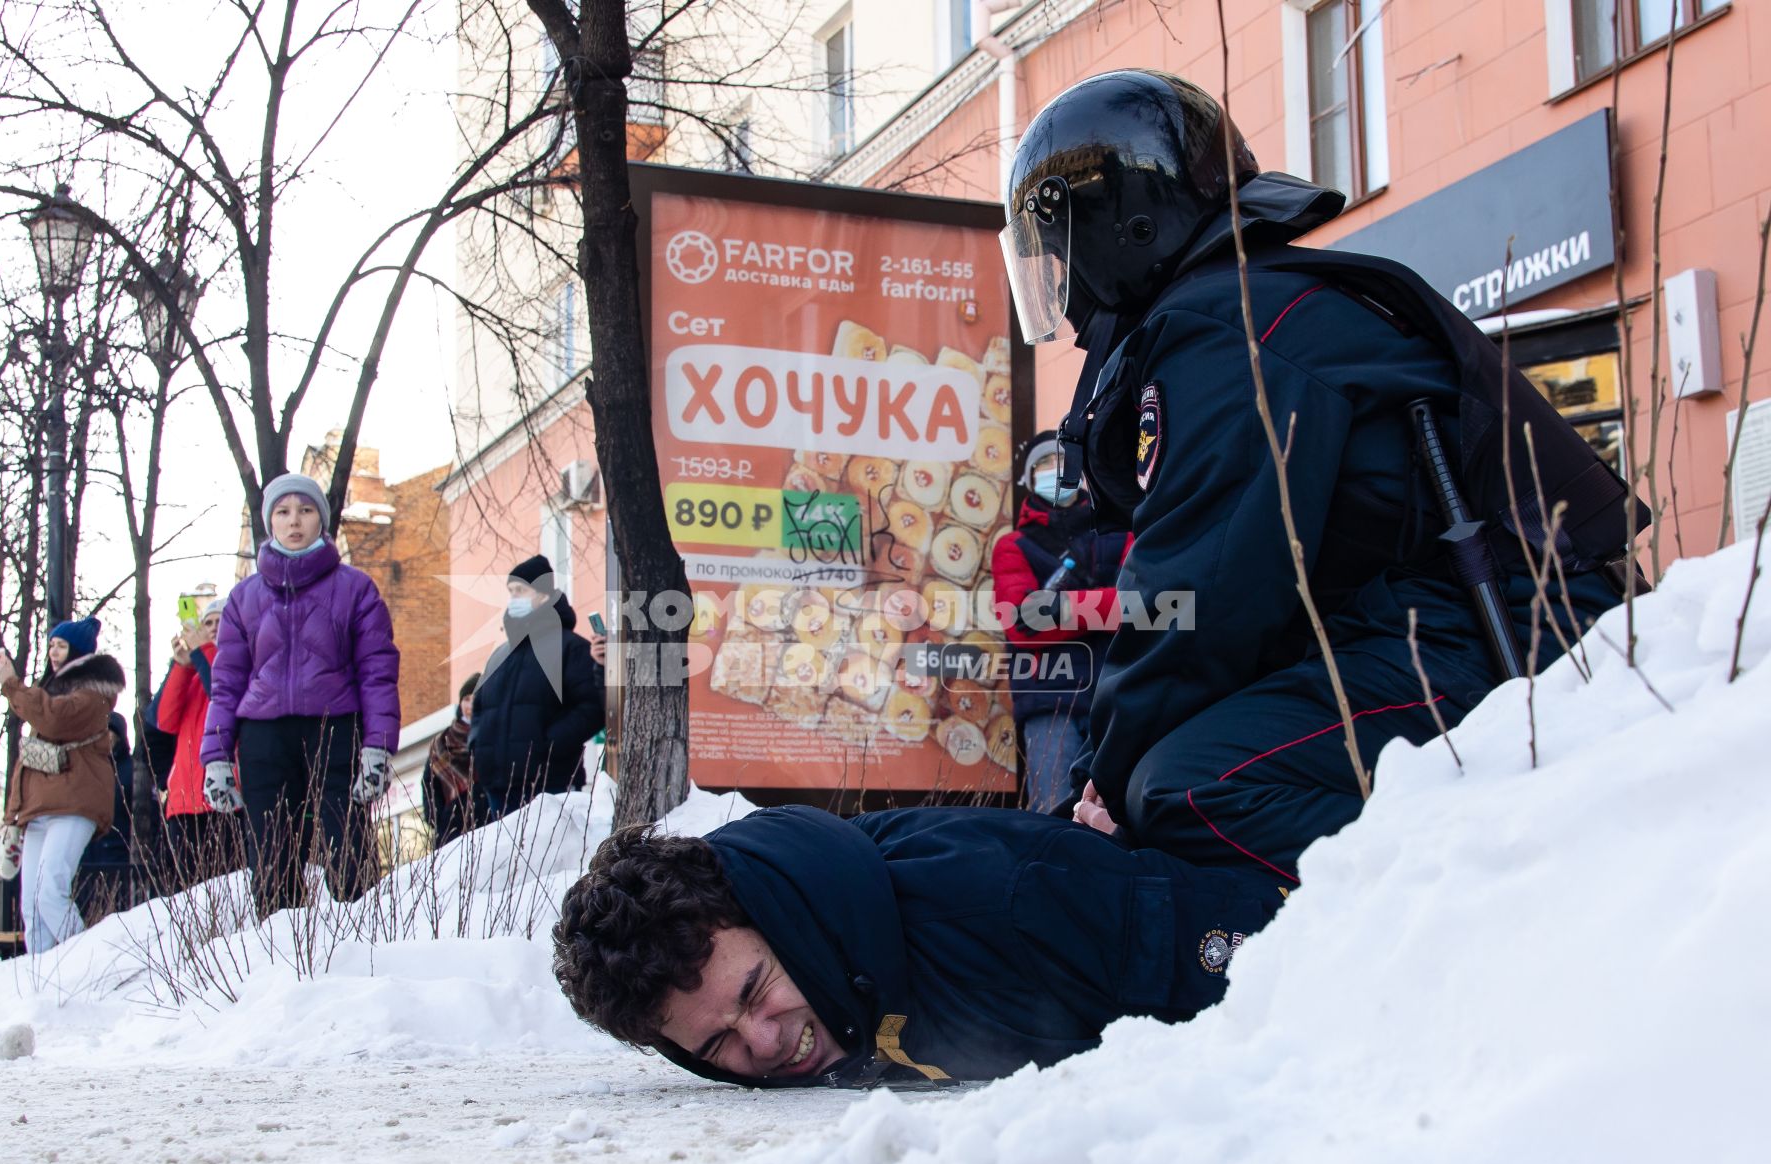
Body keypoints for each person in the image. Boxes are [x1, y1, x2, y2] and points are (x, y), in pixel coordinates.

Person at [1000, 71, 1643, 882]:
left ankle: (1485, 896)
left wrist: (1106, 783)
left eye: (1061, 251)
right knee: (1171, 768)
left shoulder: (1225, 332)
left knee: (1188, 788)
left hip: (1511, 629)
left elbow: (1203, 596)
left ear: (1123, 226)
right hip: (1465, 620)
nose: (1061, 286)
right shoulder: (1245, 308)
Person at [554, 804, 1285, 1088]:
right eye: (718, 1045)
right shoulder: (845, 960)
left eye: (754, 991)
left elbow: (1289, 990)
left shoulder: (1008, 902)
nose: (767, 1039)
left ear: (784, 917)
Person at [201, 473, 401, 916]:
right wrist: (215, 756)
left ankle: (365, 940)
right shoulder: (242, 599)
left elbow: (378, 673)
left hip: (334, 727)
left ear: (322, 521)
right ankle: (280, 955)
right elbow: (227, 681)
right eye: (283, 511)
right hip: (262, 735)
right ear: (269, 521)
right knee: (270, 851)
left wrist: (378, 748)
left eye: (306, 510)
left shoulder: (356, 589)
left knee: (346, 841)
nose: (295, 521)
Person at [990, 430, 1130, 812]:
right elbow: (1024, 621)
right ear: (1028, 478)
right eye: (1044, 465)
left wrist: (1062, 606)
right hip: (1051, 707)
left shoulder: (1121, 531)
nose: (1055, 471)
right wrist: (1110, 605)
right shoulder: (1013, 545)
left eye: (1063, 462)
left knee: (1116, 814)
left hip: (1119, 700)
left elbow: (1147, 604)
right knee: (1051, 815)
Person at [0, 618, 126, 953]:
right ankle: (41, 982)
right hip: (40, 808)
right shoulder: (50, 689)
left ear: (78, 651)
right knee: (32, 905)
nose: (53, 651)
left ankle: (85, 963)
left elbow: (54, 717)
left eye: (61, 645)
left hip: (74, 802)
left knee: (51, 889)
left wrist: (11, 686)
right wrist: (12, 817)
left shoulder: (93, 692)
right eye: (51, 644)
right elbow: (28, 762)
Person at [468, 556, 604, 821]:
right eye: (511, 592)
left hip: (550, 786)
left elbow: (590, 708)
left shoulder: (569, 647)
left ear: (543, 596)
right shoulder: (501, 654)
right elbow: (479, 709)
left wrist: (546, 746)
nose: (514, 598)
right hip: (498, 789)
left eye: (521, 590)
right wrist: (478, 748)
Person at [154, 600, 240, 892]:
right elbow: (163, 720)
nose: (213, 629)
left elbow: (223, 687)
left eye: (221, 622)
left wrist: (205, 651)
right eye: (208, 623)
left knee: (227, 889)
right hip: (184, 800)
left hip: (225, 794)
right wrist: (181, 666)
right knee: (188, 894)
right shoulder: (193, 672)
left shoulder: (240, 663)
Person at [420, 673, 479, 850]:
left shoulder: (491, 733)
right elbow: (429, 784)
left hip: (487, 820)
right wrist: (439, 821)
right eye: (467, 699)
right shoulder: (443, 741)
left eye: (476, 697)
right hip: (453, 827)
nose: (471, 704)